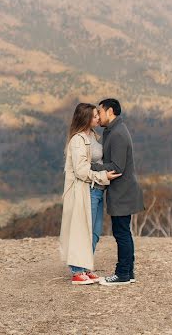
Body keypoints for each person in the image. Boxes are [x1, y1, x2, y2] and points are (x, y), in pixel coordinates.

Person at [59, 102, 121, 284]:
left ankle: (85, 267)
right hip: (86, 189)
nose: (98, 118)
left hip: (98, 190)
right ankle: (77, 270)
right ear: (86, 118)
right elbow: (80, 170)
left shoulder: (93, 136)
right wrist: (103, 176)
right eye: (94, 116)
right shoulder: (78, 140)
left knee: (94, 232)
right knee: (83, 230)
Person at [91, 98, 145, 285]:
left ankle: (122, 273)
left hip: (123, 192)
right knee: (123, 232)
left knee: (121, 233)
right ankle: (128, 273)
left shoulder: (118, 134)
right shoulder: (112, 131)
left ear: (110, 111)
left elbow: (117, 167)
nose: (99, 115)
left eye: (101, 111)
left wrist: (91, 167)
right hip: (121, 192)